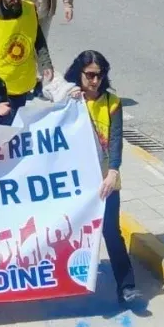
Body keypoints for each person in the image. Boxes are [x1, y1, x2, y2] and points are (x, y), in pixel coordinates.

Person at [60, 51, 140, 308]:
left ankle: (126, 285)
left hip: (105, 181)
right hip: (76, 182)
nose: (95, 80)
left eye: (99, 75)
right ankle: (64, 281)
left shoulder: (112, 102)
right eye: (90, 75)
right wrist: (65, 100)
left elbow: (115, 139)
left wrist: (113, 171)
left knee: (111, 232)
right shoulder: (71, 101)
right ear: (79, 74)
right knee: (69, 232)